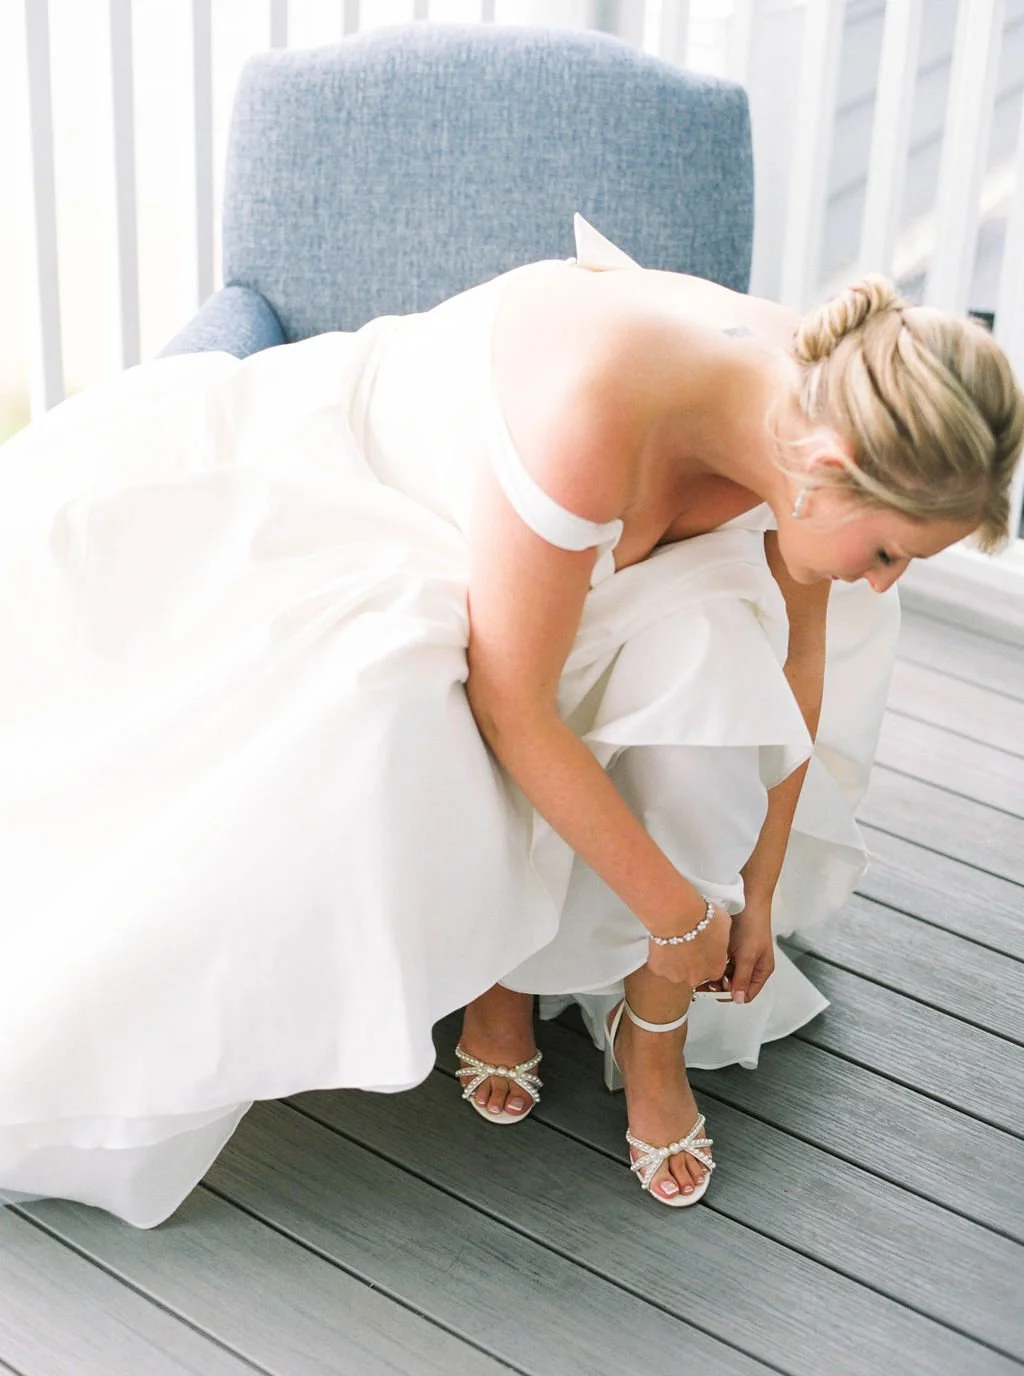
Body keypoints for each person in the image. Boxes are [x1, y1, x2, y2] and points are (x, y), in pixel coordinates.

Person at [0, 217, 1020, 1225]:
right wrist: (676, 912)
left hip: (609, 523)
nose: (881, 587)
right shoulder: (599, 415)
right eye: (887, 553)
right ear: (828, 467)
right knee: (397, 701)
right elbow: (513, 703)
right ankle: (504, 975)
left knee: (716, 673)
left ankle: (650, 1033)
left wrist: (753, 892)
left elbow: (801, 665)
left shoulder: (813, 418)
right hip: (415, 478)